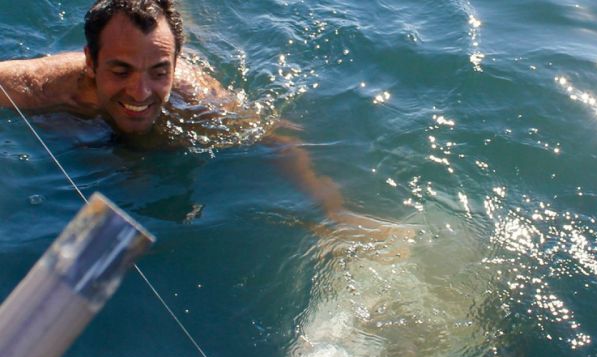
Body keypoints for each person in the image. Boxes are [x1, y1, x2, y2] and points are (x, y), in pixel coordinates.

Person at [0, 0, 398, 234]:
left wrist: (331, 212)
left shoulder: (200, 99)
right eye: (120, 71)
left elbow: (276, 139)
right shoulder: (41, 87)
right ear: (90, 61)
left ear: (176, 63)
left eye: (159, 72)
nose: (140, 93)